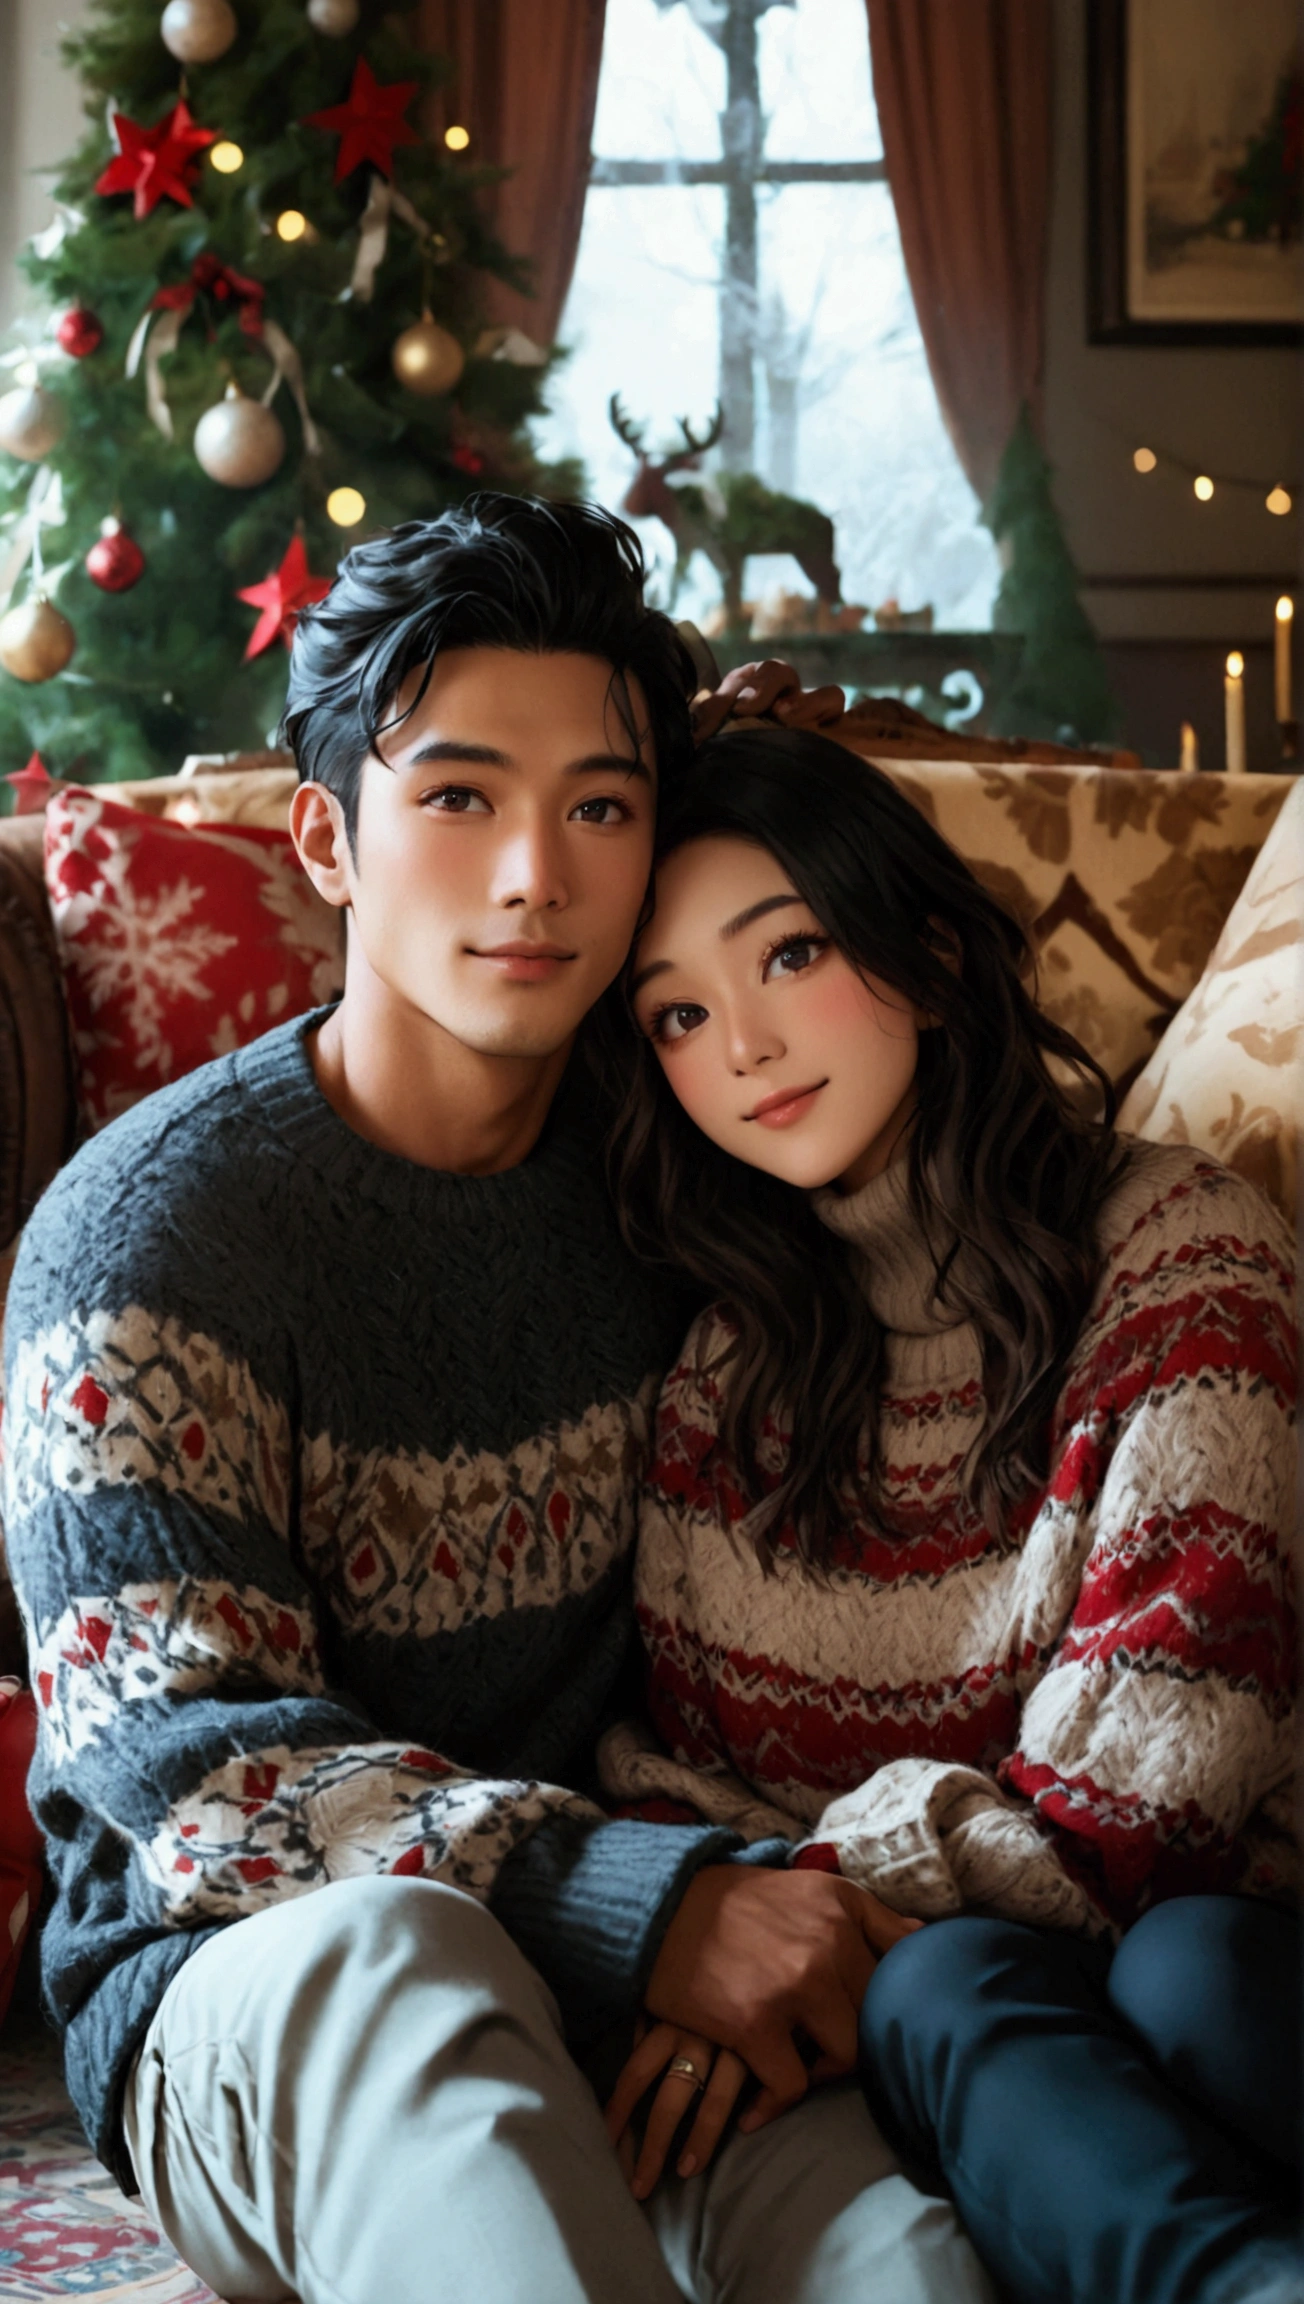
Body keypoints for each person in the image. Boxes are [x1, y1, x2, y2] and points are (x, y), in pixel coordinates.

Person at [1, 498, 995, 2304]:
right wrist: (650, 1903)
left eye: (601, 808)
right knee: (410, 1962)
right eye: (458, 797)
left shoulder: (686, 1170)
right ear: (329, 838)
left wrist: (729, 1909)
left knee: (909, 2255)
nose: (538, 874)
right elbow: (193, 1773)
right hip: (265, 1983)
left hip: (640, 1959)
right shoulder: (148, 1243)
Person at [596, 722, 1300, 2304]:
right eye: (680, 1016)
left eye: (789, 954)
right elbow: (675, 1766)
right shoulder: (728, 1361)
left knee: (1173, 1974)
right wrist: (735, 1933)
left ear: (923, 949)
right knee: (954, 1998)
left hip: (1230, 1963)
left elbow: (1153, 1809)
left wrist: (808, 1915)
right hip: (964, 2016)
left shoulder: (1183, 1252)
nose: (747, 1048)